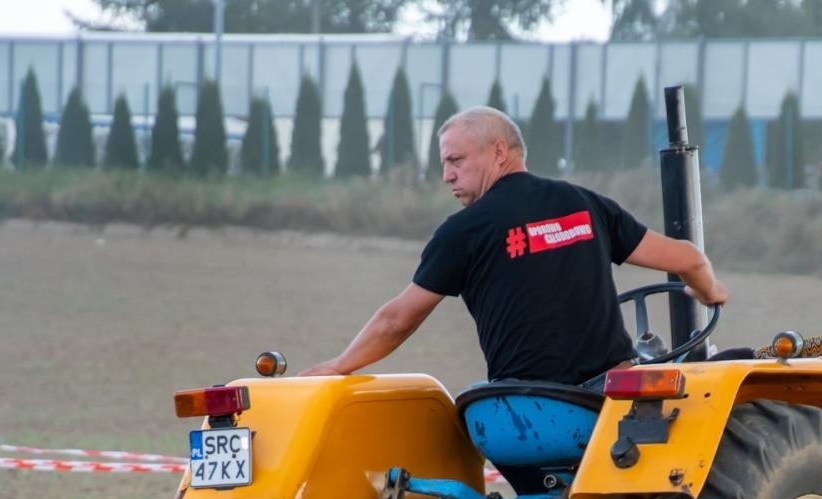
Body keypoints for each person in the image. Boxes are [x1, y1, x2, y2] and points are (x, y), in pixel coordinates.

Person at [299, 106, 728, 383]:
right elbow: (689, 259)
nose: (447, 175)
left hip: (517, 416)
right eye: (445, 163)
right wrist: (709, 293)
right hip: (606, 402)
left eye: (456, 160)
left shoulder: (462, 231)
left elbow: (397, 319)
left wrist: (339, 366)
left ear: (499, 151)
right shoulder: (585, 205)